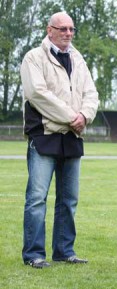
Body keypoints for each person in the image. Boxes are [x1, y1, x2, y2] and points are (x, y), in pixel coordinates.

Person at [20, 12, 99, 268]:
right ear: (49, 29)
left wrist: (85, 115)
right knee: (37, 198)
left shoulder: (78, 58)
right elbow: (37, 94)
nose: (68, 33)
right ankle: (34, 254)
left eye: (71, 29)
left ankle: (65, 251)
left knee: (69, 199)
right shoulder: (33, 57)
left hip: (72, 137)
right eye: (62, 28)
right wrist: (72, 116)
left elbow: (91, 93)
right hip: (44, 136)